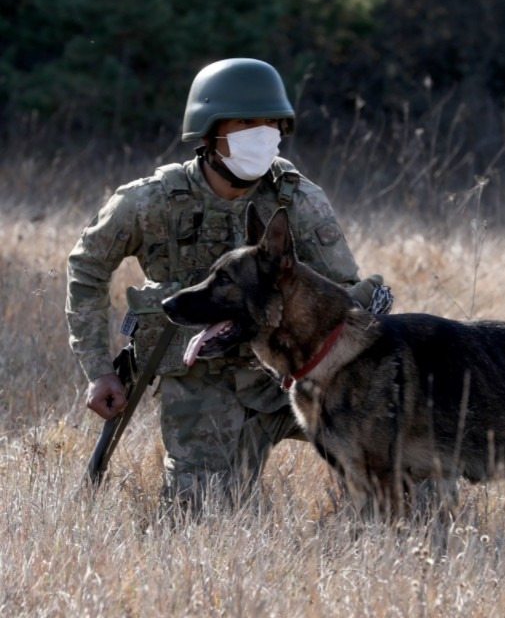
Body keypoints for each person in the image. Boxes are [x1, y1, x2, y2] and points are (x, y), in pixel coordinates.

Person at [66, 58, 391, 513]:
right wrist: (99, 368)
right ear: (209, 132)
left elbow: (341, 289)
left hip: (291, 375)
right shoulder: (152, 201)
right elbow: (87, 266)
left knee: (399, 463)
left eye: (269, 123)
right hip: (202, 383)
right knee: (204, 515)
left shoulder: (296, 199)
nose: (261, 134)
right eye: (245, 122)